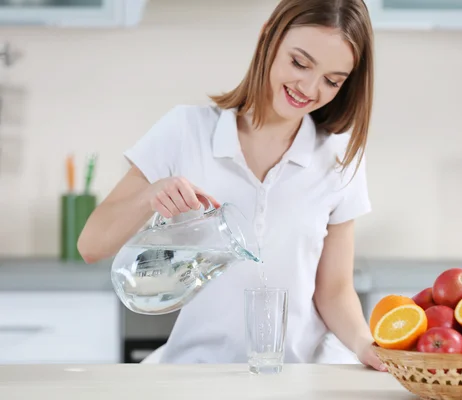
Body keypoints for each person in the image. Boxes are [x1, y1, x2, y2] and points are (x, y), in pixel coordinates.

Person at [78, 0, 385, 371]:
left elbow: (334, 290)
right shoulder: (186, 131)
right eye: (299, 63)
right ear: (267, 38)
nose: (309, 87)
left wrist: (366, 345)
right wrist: (149, 194)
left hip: (299, 376)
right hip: (197, 372)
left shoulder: (338, 156)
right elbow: (91, 245)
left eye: (332, 80)